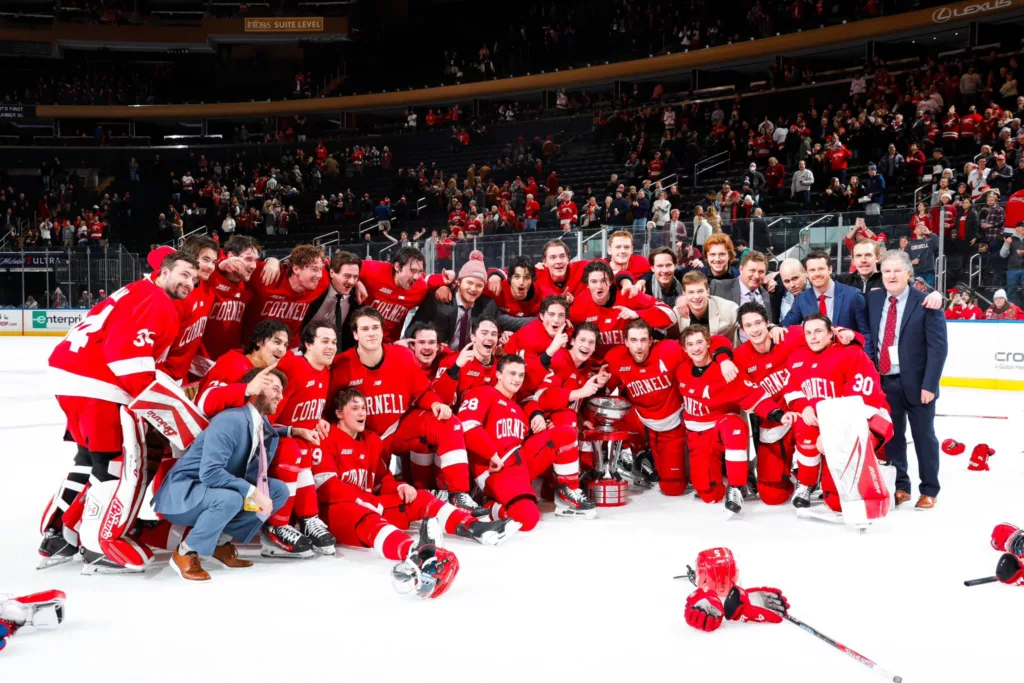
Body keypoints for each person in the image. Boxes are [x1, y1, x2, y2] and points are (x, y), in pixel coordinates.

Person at [42, 252, 199, 573]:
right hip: (97, 382)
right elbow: (126, 357)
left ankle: (60, 534)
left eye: (193, 279)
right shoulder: (156, 301)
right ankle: (96, 546)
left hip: (72, 376)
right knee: (113, 464)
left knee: (88, 459)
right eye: (183, 275)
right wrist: (164, 409)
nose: (189, 283)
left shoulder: (135, 291)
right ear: (163, 272)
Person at [313, 389, 516, 593]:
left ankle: (475, 527)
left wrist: (400, 486)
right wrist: (366, 501)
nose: (361, 413)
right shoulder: (327, 436)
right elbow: (326, 487)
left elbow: (382, 479)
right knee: (368, 518)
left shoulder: (372, 440)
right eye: (354, 408)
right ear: (339, 413)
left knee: (419, 497)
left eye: (364, 408)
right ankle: (420, 556)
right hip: (336, 511)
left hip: (367, 503)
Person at [329, 308, 478, 512]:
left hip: (399, 427)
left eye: (375, 328)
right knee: (374, 495)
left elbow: (422, 391)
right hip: (367, 440)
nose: (371, 333)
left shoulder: (401, 356)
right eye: (365, 329)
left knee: (449, 423)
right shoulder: (341, 365)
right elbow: (331, 410)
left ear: (383, 331)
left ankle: (458, 493)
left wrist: (436, 404)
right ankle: (425, 497)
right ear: (355, 334)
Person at [152, 367, 292, 581]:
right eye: (274, 389)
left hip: (212, 490)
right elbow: (209, 473)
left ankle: (218, 542)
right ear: (256, 389)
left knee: (278, 491)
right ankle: (185, 552)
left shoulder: (258, 421)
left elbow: (265, 433)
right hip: (184, 493)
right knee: (232, 498)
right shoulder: (230, 420)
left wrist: (293, 431)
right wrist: (252, 492)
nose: (280, 396)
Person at [604, 319, 738, 496]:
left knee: (672, 488)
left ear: (651, 341)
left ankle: (702, 465)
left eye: (643, 340)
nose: (639, 346)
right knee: (619, 404)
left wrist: (723, 360)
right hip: (647, 425)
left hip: (674, 423)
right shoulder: (616, 358)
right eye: (634, 340)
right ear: (626, 342)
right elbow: (603, 389)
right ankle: (642, 453)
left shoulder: (669, 350)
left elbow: (716, 341)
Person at [459, 354, 596, 527]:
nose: (517, 379)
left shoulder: (519, 407)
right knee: (528, 518)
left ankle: (568, 493)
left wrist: (541, 423)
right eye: (512, 373)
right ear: (499, 375)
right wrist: (491, 454)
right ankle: (487, 505)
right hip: (494, 469)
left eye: (521, 375)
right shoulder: (483, 392)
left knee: (565, 433)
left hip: (519, 465)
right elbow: (467, 427)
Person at [781, 314, 893, 512]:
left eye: (818, 331)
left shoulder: (851, 353)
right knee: (804, 428)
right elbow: (792, 389)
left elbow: (863, 398)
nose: (813, 337)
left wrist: (832, 433)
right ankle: (806, 483)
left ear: (831, 333)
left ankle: (876, 477)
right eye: (808, 333)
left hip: (862, 420)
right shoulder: (798, 357)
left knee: (837, 503)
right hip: (825, 424)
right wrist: (803, 405)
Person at [867, 250, 948, 510]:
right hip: (885, 382)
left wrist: (930, 385)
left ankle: (929, 489)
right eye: (886, 271)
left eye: (896, 270)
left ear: (908, 274)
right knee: (893, 439)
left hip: (917, 384)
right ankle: (901, 486)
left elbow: (938, 349)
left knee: (924, 438)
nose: (891, 275)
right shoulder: (874, 298)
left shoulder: (926, 302)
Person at [676, 325, 785, 514]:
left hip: (721, 425)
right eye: (690, 344)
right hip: (698, 432)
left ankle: (736, 486)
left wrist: (776, 413)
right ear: (685, 350)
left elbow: (752, 394)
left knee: (735, 426)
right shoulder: (682, 368)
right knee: (709, 495)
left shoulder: (725, 371)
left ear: (709, 343)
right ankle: (721, 481)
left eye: (700, 342)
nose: (696, 348)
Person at [262, 322, 338, 556]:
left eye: (334, 342)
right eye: (324, 341)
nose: (331, 347)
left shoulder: (325, 371)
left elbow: (304, 411)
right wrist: (294, 430)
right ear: (307, 344)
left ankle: (308, 518)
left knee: (309, 449)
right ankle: (276, 526)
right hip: (269, 439)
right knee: (294, 449)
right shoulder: (292, 367)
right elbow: (264, 419)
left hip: (297, 440)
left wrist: (317, 420)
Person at [569, 261, 675, 360]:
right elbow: (570, 343)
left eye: (603, 281)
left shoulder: (629, 294)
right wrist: (587, 365)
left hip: (632, 363)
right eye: (593, 282)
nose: (599, 286)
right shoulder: (578, 307)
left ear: (611, 281)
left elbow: (671, 316)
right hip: (598, 369)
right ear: (587, 285)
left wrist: (637, 314)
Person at [192, 235, 262, 381]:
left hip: (227, 364)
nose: (253, 266)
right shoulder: (209, 276)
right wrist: (221, 263)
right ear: (230, 256)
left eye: (256, 260)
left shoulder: (249, 286)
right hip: (196, 365)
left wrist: (272, 261)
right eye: (248, 259)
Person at [242, 244, 330, 350]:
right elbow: (233, 264)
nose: (319, 275)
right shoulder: (267, 274)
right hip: (254, 347)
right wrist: (271, 259)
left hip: (290, 350)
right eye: (314, 269)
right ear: (296, 269)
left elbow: (346, 267)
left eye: (320, 269)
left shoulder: (322, 281)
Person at [356, 247, 453, 342]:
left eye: (420, 272)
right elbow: (346, 263)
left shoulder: (419, 287)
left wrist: (444, 285)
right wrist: (356, 281)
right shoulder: (374, 270)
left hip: (390, 344)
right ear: (397, 266)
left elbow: (428, 279)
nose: (416, 277)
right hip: (360, 338)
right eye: (413, 271)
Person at [780, 250, 872, 351]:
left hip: (847, 360)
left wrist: (868, 362)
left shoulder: (853, 296)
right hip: (817, 361)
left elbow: (866, 334)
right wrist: (774, 328)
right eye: (812, 270)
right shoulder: (802, 299)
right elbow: (786, 325)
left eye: (821, 269)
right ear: (806, 273)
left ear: (830, 269)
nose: (817, 274)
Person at [195, 321, 290, 417]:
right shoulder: (232, 364)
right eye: (277, 342)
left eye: (285, 345)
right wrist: (246, 389)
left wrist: (288, 430)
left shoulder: (263, 369)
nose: (282, 350)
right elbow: (204, 404)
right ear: (259, 341)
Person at [159, 236, 220, 386]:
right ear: (190, 258)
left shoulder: (208, 290)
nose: (210, 266)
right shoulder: (174, 295)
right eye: (205, 259)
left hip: (180, 376)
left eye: (213, 262)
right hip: (160, 376)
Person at [411, 258, 497, 351]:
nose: (473, 289)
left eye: (479, 285)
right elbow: (415, 326)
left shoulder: (487, 305)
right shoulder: (440, 299)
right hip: (438, 356)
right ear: (459, 282)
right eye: (469, 283)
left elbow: (505, 321)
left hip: (469, 359)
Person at [431, 317, 499, 406]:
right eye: (484, 333)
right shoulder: (452, 360)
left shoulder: (502, 367)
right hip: (453, 417)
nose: (490, 338)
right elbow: (439, 400)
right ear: (473, 337)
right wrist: (455, 368)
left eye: (494, 334)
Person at [302, 250, 361, 353]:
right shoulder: (315, 289)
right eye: (346, 276)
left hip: (335, 354)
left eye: (355, 277)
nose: (351, 281)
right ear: (332, 273)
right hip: (304, 351)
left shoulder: (355, 298)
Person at [710, 251, 775, 335]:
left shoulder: (769, 294)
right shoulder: (719, 287)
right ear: (741, 269)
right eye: (752, 270)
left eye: (761, 272)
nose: (756, 276)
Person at [1000, 223, 1024, 306]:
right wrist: (1007, 244)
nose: (1023, 228)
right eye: (1022, 227)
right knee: (1010, 293)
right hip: (1012, 269)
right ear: (1016, 228)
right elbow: (1003, 254)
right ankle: (1011, 314)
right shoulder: (1010, 239)